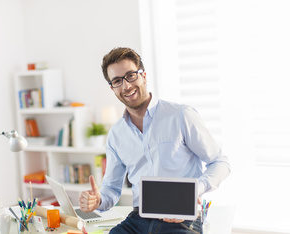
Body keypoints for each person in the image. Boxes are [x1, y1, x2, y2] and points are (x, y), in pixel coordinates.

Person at [79, 47, 231, 233]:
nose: (126, 86)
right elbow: (111, 188)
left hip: (180, 219)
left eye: (131, 76)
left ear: (143, 75)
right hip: (137, 220)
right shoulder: (116, 134)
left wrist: (195, 190)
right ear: (112, 88)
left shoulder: (181, 116)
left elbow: (220, 162)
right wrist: (98, 200)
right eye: (118, 81)